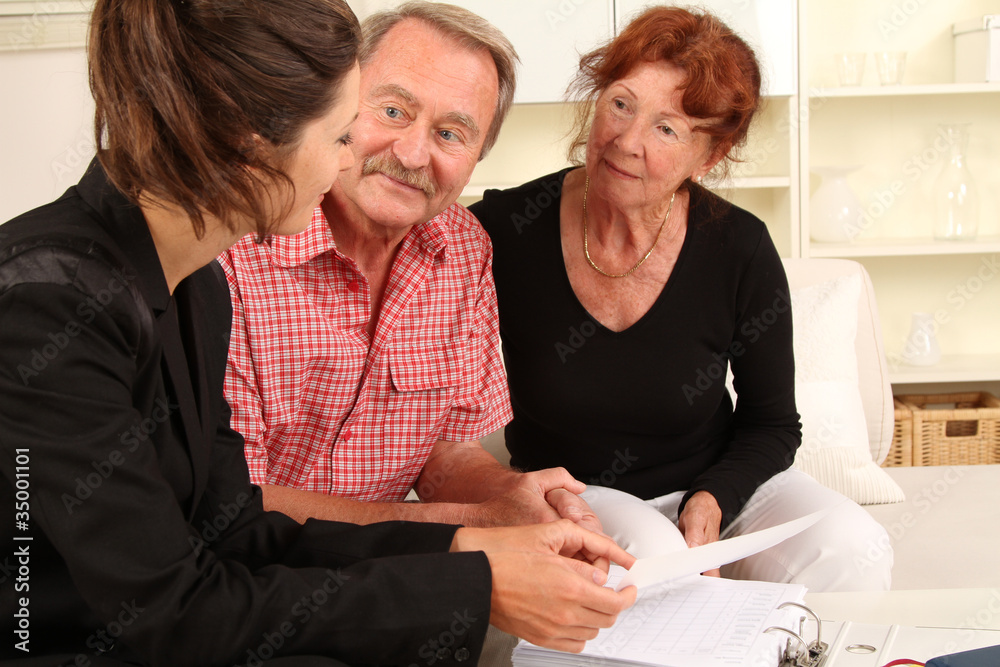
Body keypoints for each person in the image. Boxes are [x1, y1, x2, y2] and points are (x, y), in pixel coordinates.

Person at [0, 1, 635, 664]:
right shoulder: (46, 300)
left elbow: (235, 530)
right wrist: (473, 578)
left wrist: (469, 550)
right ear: (253, 138)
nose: (350, 162)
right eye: (343, 133)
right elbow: (171, 615)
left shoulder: (191, 286)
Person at [469, 6, 892, 592]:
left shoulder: (737, 246)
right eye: (620, 103)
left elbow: (772, 423)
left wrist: (713, 497)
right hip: (583, 493)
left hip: (715, 483)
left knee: (852, 546)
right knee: (650, 563)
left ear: (709, 157)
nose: (626, 140)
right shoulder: (505, 227)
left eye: (666, 128)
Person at [219, 1, 599, 532]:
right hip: (250, 580)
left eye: (451, 134)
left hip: (401, 575)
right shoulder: (237, 242)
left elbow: (447, 449)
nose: (415, 154)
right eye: (394, 111)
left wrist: (516, 494)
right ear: (340, 104)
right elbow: (231, 500)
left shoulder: (465, 249)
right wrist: (471, 523)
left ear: (477, 156)